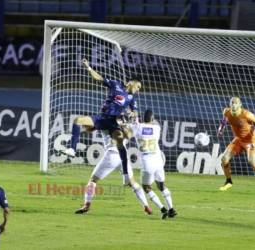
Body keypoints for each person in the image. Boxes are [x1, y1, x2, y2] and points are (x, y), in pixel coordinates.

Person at [63, 58, 142, 186]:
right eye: (137, 86)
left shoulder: (132, 99)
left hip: (113, 123)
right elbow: (99, 78)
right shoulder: (116, 84)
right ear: (130, 83)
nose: (138, 89)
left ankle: (126, 175)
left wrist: (133, 115)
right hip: (101, 118)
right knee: (78, 121)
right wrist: (88, 67)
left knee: (120, 142)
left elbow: (136, 113)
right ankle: (72, 149)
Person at [75, 131, 152, 215]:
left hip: (112, 154)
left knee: (93, 180)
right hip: (123, 155)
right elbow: (130, 133)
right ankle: (146, 206)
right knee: (132, 182)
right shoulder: (124, 125)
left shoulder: (106, 122)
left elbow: (94, 126)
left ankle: (86, 205)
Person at [217, 97, 255, 191]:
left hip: (251, 139)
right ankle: (229, 181)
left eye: (236, 103)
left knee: (251, 161)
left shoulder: (246, 114)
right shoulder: (226, 111)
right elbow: (224, 120)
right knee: (224, 159)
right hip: (239, 139)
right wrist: (220, 129)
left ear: (240, 105)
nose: (234, 105)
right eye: (232, 103)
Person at [130, 110, 177, 219]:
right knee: (161, 186)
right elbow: (153, 122)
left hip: (147, 163)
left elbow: (130, 127)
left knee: (146, 187)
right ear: (152, 119)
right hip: (158, 161)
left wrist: (134, 118)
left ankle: (162, 209)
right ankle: (171, 209)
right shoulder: (157, 128)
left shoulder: (137, 127)